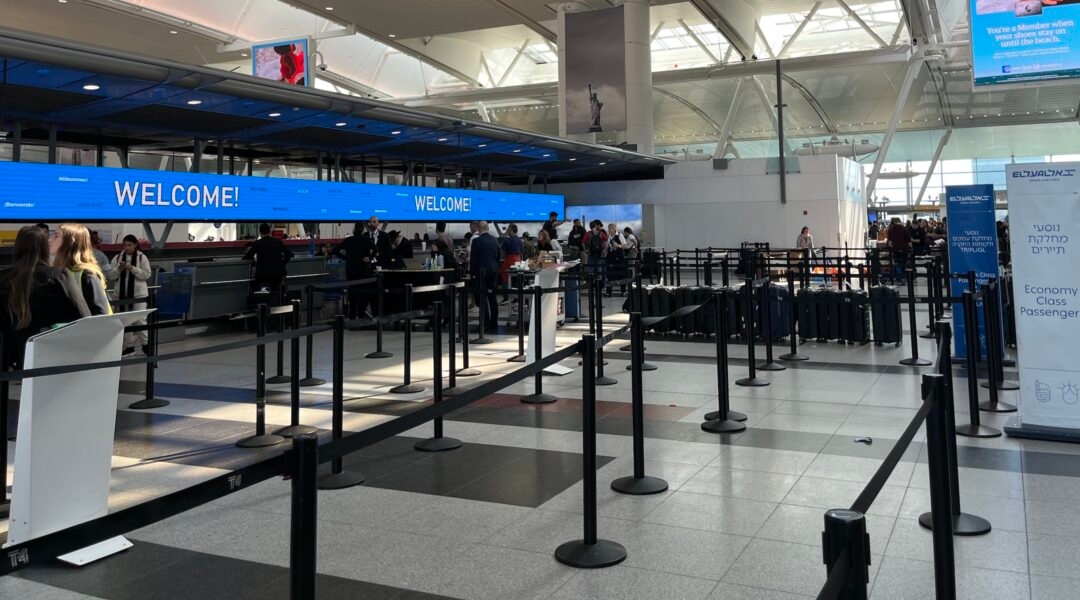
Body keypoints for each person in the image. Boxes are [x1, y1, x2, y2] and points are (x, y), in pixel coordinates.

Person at [0, 226, 82, 369]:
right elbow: (82, 315)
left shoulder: (4, 278)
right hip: (54, 353)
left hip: (13, 356)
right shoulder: (59, 275)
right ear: (44, 248)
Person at [332, 219, 390, 320]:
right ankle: (361, 316)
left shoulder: (348, 240)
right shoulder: (366, 240)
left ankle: (352, 318)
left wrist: (346, 258)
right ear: (362, 230)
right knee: (363, 294)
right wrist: (370, 258)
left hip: (351, 270)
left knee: (352, 295)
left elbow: (335, 250)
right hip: (364, 270)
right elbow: (376, 250)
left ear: (354, 230)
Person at [52, 223, 112, 317]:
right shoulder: (58, 271)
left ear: (71, 242)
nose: (49, 240)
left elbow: (101, 316)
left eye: (56, 236)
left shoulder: (87, 276)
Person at [110, 234, 153, 355]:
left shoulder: (141, 258)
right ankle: (129, 346)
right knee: (125, 321)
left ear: (135, 245)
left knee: (140, 320)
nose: (127, 247)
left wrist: (132, 269)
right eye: (125, 245)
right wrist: (119, 269)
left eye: (129, 245)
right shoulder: (117, 258)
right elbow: (111, 276)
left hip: (138, 295)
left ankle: (145, 344)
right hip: (121, 295)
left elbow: (146, 275)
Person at [243, 223, 294, 304]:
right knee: (276, 294)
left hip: (262, 275)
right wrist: (282, 263)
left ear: (260, 233)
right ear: (269, 231)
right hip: (277, 275)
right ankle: (276, 311)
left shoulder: (258, 243)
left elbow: (248, 256)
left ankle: (262, 310)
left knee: (261, 296)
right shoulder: (277, 242)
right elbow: (290, 254)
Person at [470, 221, 500, 330]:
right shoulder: (495, 240)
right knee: (492, 298)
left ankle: (485, 323)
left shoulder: (477, 241)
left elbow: (474, 260)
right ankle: (494, 323)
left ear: (479, 228)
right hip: (493, 272)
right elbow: (497, 257)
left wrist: (472, 274)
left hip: (480, 274)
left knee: (482, 298)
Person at [500, 224, 524, 302]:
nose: (507, 231)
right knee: (516, 278)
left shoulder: (508, 240)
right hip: (518, 260)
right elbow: (522, 252)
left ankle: (506, 297)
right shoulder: (520, 240)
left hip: (509, 260)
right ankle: (516, 297)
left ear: (511, 230)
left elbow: (503, 251)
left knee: (505, 277)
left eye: (508, 230)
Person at [581, 219, 609, 285]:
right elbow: (606, 240)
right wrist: (604, 249)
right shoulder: (601, 233)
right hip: (600, 253)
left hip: (591, 253)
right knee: (599, 268)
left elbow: (583, 242)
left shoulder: (588, 233)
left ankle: (591, 282)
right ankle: (599, 283)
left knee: (590, 268)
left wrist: (585, 250)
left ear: (590, 226)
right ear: (595, 226)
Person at [606, 223, 628, 295]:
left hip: (619, 258)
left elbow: (625, 246)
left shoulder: (620, 235)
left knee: (622, 275)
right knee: (610, 275)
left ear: (614, 229)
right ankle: (609, 291)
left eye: (610, 229)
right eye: (608, 229)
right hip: (610, 258)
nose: (609, 230)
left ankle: (623, 291)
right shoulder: (609, 237)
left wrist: (618, 245)